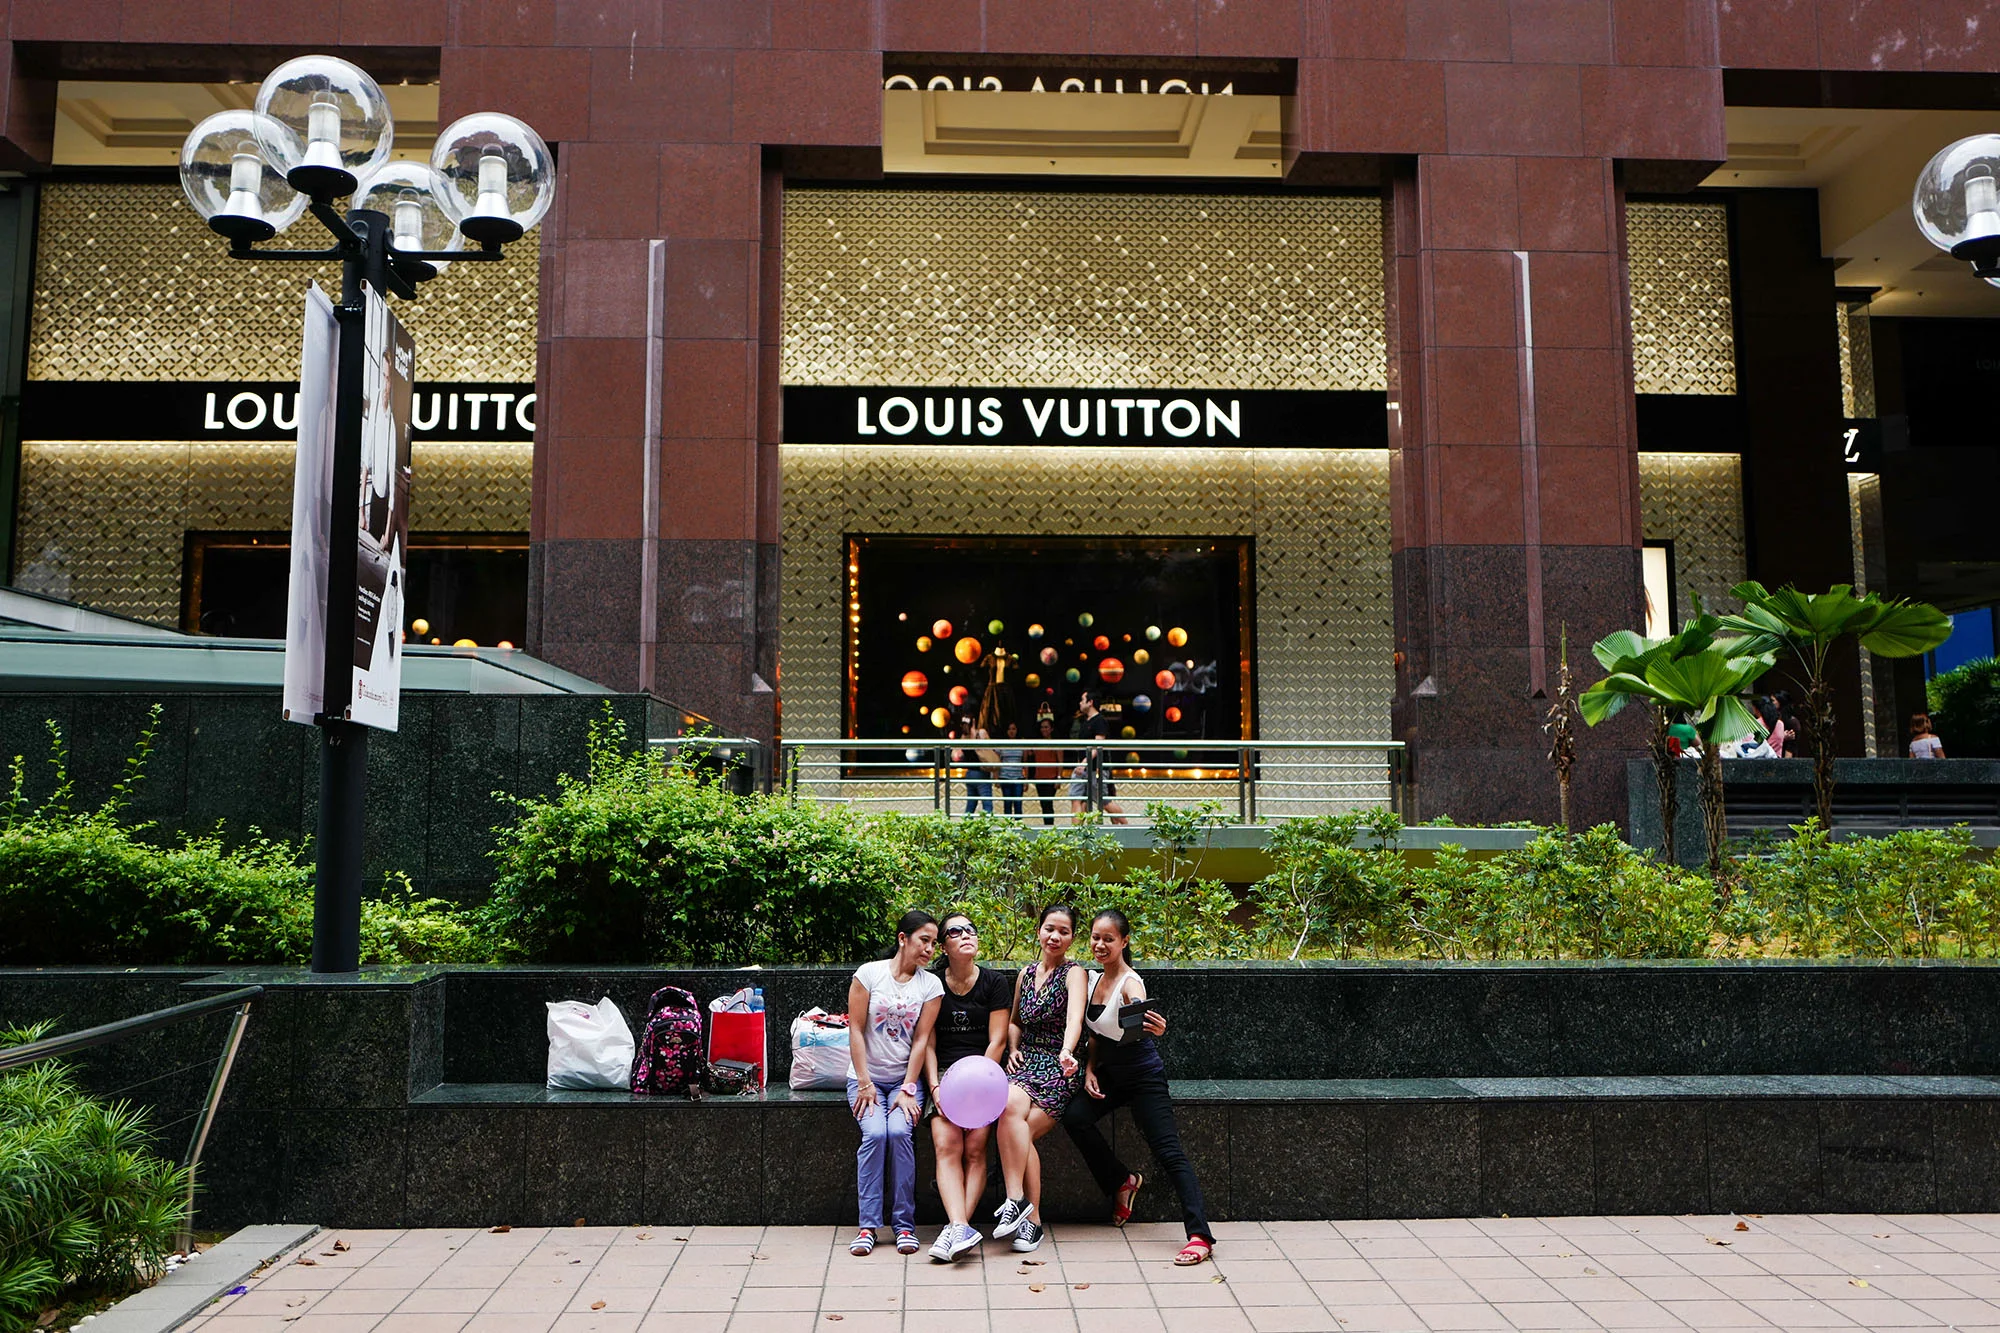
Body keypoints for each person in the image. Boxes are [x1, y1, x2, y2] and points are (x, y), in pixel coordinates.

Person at [1063, 909, 1216, 1266]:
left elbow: (1139, 1011)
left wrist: (1153, 1025)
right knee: (1075, 1117)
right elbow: (1095, 1034)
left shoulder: (1131, 983)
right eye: (1096, 938)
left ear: (1124, 941)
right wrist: (1090, 1069)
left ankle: (1200, 1235)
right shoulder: (1092, 979)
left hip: (1143, 1075)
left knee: (1169, 1152)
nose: (1100, 945)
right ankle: (1122, 1181)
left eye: (1109, 939)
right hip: (1110, 1074)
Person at [846, 910, 944, 1257]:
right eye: (924, 940)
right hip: (865, 1080)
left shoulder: (931, 986)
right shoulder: (869, 974)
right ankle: (868, 1226)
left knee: (900, 1133)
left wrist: (908, 1087)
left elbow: (921, 1040)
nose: (929, 949)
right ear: (903, 938)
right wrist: (864, 1081)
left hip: (905, 1082)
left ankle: (904, 1225)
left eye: (934, 943)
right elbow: (855, 1028)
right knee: (875, 1134)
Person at [992, 904, 1088, 1254]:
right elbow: (1015, 1021)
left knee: (1022, 1131)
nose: (1055, 936)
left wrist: (1067, 1051)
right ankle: (1022, 1207)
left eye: (1063, 931)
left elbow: (1074, 1019)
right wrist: (1012, 1048)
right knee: (1008, 1107)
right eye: (1050, 929)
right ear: (1039, 931)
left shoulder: (1075, 973)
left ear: (1072, 938)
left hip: (1059, 1064)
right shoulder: (1026, 973)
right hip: (1026, 1060)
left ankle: (1024, 1214)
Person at [924, 912, 1012, 1263]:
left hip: (984, 1073)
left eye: (971, 930)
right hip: (944, 1074)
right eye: (955, 931)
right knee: (946, 1144)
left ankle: (956, 1229)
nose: (966, 935)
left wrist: (978, 1084)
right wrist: (935, 1088)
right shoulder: (932, 984)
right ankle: (960, 1226)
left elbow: (998, 1040)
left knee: (975, 1147)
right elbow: (926, 1042)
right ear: (943, 946)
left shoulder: (994, 982)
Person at [1066, 691, 1129, 824]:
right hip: (1083, 768)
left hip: (1095, 768)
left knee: (1103, 801)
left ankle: (1125, 825)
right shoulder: (1085, 721)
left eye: (1082, 700)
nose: (1080, 703)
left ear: (1090, 702)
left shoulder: (1099, 721)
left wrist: (1084, 763)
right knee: (1076, 798)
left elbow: (1098, 745)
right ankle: (1076, 832)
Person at [1030, 716, 1065, 827]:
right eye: (1042, 727)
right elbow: (1029, 754)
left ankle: (1049, 826)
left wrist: (1059, 778)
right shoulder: (1037, 743)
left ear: (1051, 729)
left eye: (1046, 727)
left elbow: (1060, 762)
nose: (1044, 729)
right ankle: (1047, 826)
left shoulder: (1056, 743)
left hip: (1051, 777)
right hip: (1039, 777)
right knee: (1043, 804)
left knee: (1048, 804)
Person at [957, 725, 995, 816]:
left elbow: (959, 755)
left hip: (970, 773)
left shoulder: (964, 737)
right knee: (987, 804)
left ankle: (966, 822)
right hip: (981, 773)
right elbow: (989, 748)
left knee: (971, 804)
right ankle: (987, 823)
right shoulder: (980, 734)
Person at [996, 722, 1026, 819]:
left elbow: (1025, 763)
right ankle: (1008, 825)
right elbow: (997, 762)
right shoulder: (1002, 744)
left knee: (1018, 803)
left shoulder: (1021, 744)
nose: (1011, 731)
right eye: (1009, 729)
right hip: (1005, 777)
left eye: (1014, 729)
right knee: (1007, 803)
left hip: (1018, 777)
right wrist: (996, 778)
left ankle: (1018, 825)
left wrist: (1026, 780)